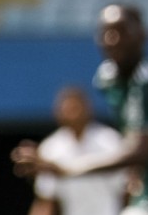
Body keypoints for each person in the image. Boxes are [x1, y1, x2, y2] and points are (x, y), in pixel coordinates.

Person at [13, 3, 148, 215]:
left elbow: (141, 151)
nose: (112, 40)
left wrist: (67, 168)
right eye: (105, 33)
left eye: (121, 31)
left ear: (142, 35)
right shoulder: (107, 79)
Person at [12, 86, 127, 215]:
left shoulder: (110, 142)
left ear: (88, 108)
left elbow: (127, 191)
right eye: (67, 109)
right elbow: (46, 200)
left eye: (76, 108)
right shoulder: (51, 149)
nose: (72, 114)